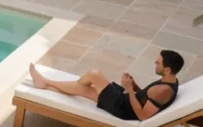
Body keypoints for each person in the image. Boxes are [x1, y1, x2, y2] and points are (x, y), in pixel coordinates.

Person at [27, 50, 184, 122]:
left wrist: (129, 90)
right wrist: (134, 85)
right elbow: (146, 97)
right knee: (84, 89)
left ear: (168, 69)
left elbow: (142, 116)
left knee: (94, 74)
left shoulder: (163, 90)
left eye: (158, 63)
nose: (155, 64)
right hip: (127, 101)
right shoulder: (171, 81)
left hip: (123, 108)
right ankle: (45, 83)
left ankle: (48, 82)